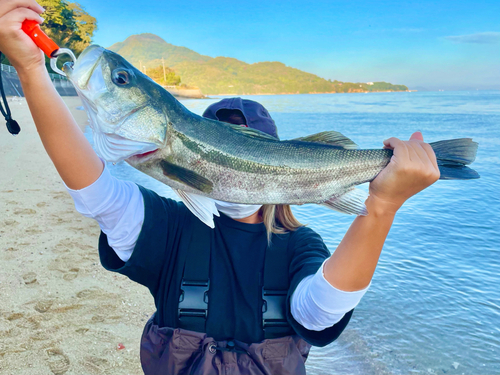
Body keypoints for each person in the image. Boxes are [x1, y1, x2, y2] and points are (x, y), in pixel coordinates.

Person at [0, 3, 440, 374]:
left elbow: (320, 310)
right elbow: (93, 189)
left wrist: (382, 206)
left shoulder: (299, 246)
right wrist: (30, 67)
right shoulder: (170, 229)